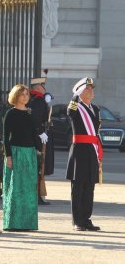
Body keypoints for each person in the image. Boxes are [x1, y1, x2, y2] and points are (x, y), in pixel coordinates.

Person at [66, 77, 101, 231]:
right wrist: (75, 94)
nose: (91, 90)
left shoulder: (96, 109)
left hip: (92, 150)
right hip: (79, 151)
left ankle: (86, 219)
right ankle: (77, 221)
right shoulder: (75, 107)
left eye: (91, 88)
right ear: (80, 91)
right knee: (78, 186)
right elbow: (70, 112)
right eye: (87, 88)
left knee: (89, 187)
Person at [2, 84, 38, 231]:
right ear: (16, 96)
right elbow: (5, 137)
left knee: (29, 189)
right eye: (22, 94)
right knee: (16, 188)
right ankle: (14, 222)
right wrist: (8, 156)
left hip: (29, 153)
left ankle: (27, 223)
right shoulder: (11, 113)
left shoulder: (30, 114)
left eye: (27, 94)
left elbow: (33, 135)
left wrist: (38, 150)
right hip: (16, 152)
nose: (25, 97)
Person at [27, 77, 54, 205]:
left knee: (36, 166)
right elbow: (36, 118)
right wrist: (40, 132)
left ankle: (35, 194)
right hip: (38, 138)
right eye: (43, 86)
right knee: (39, 166)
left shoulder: (30, 99)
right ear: (38, 87)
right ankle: (36, 195)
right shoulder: (38, 101)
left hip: (32, 136)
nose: (45, 89)